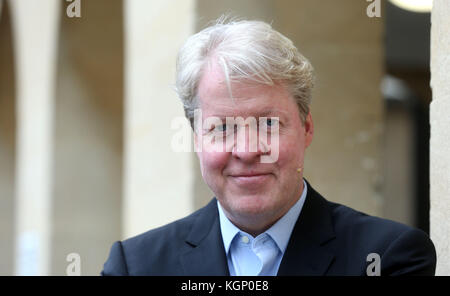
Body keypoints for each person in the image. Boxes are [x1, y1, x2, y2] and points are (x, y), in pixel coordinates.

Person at [101, 18, 436, 276]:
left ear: (306, 129)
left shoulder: (387, 258)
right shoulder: (136, 266)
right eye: (224, 128)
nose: (247, 150)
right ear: (196, 139)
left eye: (268, 124)